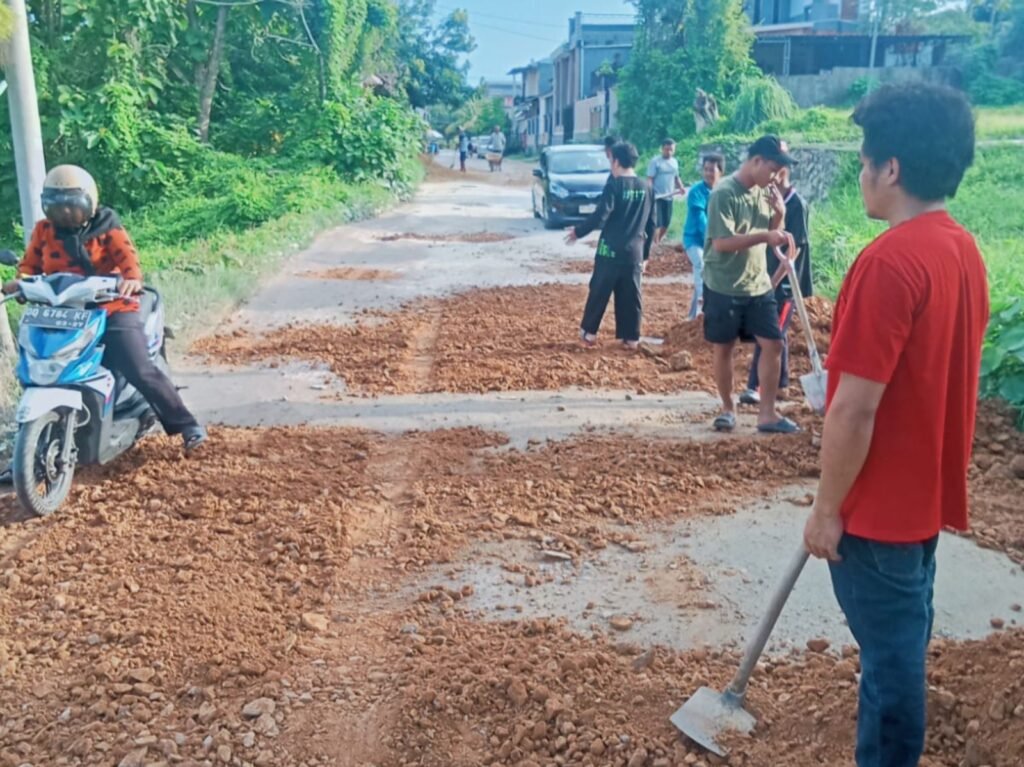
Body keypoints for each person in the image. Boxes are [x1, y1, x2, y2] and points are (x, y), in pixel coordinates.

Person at [803, 84, 987, 767]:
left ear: (892, 169)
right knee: (897, 650)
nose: (859, 174)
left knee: (892, 671)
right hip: (920, 504)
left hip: (874, 518)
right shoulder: (961, 250)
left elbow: (855, 407)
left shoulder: (887, 263)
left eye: (862, 161)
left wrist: (826, 509)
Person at [3, 165, 208, 453]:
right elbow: (29, 265)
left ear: (90, 202)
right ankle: (27, 451)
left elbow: (129, 262)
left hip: (109, 307)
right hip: (61, 312)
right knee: (36, 366)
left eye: (72, 207)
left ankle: (187, 425)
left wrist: (131, 281)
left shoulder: (107, 227)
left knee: (138, 367)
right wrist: (20, 283)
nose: (65, 214)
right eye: (56, 207)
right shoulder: (44, 231)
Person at [703, 135, 799, 434]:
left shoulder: (764, 191)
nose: (776, 176)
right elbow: (721, 243)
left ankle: (767, 414)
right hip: (724, 284)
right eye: (773, 168)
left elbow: (772, 234)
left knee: (773, 344)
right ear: (756, 161)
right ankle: (727, 409)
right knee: (725, 348)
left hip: (758, 284)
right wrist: (764, 236)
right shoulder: (724, 193)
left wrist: (779, 216)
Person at [566, 141, 654, 350]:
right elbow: (652, 224)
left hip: (609, 251)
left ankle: (589, 334)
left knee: (599, 291)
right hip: (634, 253)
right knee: (631, 296)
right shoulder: (647, 188)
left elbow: (601, 215)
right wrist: (646, 255)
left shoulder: (614, 185)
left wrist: (578, 232)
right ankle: (631, 338)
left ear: (615, 161)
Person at [740, 162, 812, 404]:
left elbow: (795, 249)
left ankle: (756, 386)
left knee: (769, 333)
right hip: (766, 278)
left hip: (784, 284)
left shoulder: (796, 205)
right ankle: (781, 385)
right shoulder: (769, 201)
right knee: (776, 333)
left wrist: (772, 282)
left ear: (782, 173)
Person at [682, 153, 724, 320]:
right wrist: (714, 240)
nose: (708, 173)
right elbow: (701, 220)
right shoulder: (696, 192)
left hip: (715, 241)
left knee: (704, 273)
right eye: (705, 169)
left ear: (720, 172)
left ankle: (692, 318)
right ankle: (704, 310)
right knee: (701, 266)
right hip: (694, 239)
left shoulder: (723, 191)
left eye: (712, 170)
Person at [647, 139, 687, 245]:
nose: (669, 152)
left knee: (666, 223)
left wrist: (681, 187)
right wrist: (650, 192)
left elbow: (676, 177)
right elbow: (650, 178)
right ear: (662, 149)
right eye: (666, 149)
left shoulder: (674, 162)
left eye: (671, 150)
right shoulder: (655, 162)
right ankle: (655, 245)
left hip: (669, 196)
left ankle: (658, 241)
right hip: (657, 197)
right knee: (657, 223)